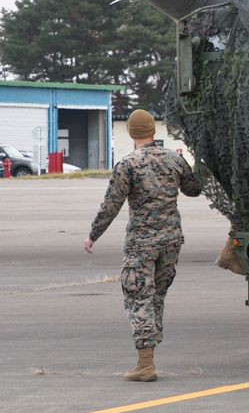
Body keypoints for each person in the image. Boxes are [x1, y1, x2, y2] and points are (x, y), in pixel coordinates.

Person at [84, 109, 202, 382]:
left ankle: (145, 365)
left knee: (139, 299)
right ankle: (149, 356)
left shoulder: (128, 164)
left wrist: (93, 235)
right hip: (171, 241)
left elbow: (111, 205)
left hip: (142, 244)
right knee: (156, 296)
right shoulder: (174, 159)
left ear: (131, 133)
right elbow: (193, 189)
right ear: (153, 130)